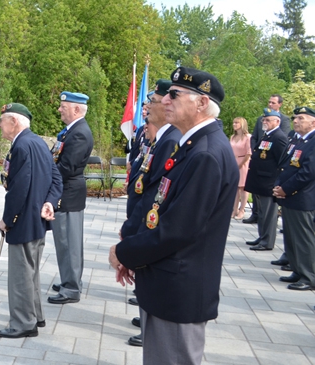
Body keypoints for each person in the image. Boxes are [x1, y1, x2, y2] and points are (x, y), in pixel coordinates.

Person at [109, 67, 238, 365]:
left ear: (202, 103)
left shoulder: (204, 153)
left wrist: (124, 252)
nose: (165, 99)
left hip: (179, 289)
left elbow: (177, 230)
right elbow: (160, 207)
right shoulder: (191, 145)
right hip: (167, 283)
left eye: (174, 94)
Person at [121, 78, 182, 348]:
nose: (146, 109)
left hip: (151, 221)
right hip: (142, 216)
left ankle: (150, 328)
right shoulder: (162, 138)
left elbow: (155, 193)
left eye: (153, 102)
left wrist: (133, 228)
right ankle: (147, 322)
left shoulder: (170, 140)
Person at [0, 103, 63, 339]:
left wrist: (7, 219)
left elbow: (19, 189)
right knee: (31, 271)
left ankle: (24, 323)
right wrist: (49, 203)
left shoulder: (22, 145)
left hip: (23, 220)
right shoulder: (37, 142)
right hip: (37, 219)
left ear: (14, 122)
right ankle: (35, 315)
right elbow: (56, 179)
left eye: (1, 120)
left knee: (21, 274)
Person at [49, 91, 94, 305]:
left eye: (63, 106)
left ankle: (71, 288)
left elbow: (66, 167)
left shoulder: (79, 133)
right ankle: (69, 279)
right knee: (64, 241)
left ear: (76, 109)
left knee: (69, 243)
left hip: (68, 193)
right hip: (65, 192)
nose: (59, 110)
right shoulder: (69, 132)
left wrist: (44, 174)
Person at [273, 107, 315, 290]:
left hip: (302, 197)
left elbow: (308, 172)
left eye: (301, 118)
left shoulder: (313, 142)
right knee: (291, 237)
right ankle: (298, 270)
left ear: (313, 122)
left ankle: (308, 277)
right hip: (290, 196)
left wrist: (286, 189)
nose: (296, 121)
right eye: (295, 118)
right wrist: (279, 186)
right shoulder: (299, 140)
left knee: (303, 239)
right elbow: (286, 166)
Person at [244, 109, 288, 251]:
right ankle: (262, 236)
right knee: (262, 212)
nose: (264, 122)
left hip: (268, 181)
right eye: (264, 119)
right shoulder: (266, 136)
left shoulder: (278, 137)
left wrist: (277, 182)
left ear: (277, 122)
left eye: (268, 120)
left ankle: (267, 241)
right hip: (260, 180)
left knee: (268, 213)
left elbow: (282, 161)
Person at [244, 94, 291, 224]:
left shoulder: (281, 127)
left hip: (269, 177)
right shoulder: (265, 129)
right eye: (269, 102)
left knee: (268, 212)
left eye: (273, 103)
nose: (270, 104)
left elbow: (281, 157)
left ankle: (266, 240)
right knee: (261, 208)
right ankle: (259, 229)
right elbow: (255, 137)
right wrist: (255, 151)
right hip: (259, 174)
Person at [230, 117, 252, 220]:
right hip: (233, 161)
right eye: (234, 122)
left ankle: (242, 209)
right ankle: (234, 209)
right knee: (235, 187)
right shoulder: (232, 137)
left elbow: (248, 152)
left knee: (243, 187)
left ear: (242, 124)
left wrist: (241, 164)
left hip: (243, 162)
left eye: (237, 123)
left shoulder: (247, 137)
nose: (234, 124)